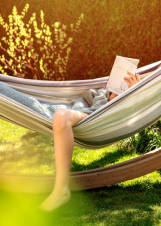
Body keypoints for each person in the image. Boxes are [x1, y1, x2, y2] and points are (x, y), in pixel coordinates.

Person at [0, 57, 140, 211]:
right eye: (117, 86)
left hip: (77, 116)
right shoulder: (99, 95)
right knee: (6, 91)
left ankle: (61, 190)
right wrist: (110, 94)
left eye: (122, 90)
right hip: (62, 109)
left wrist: (132, 92)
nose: (117, 90)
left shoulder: (117, 105)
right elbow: (89, 99)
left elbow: (119, 111)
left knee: (60, 116)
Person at [38, 71, 140, 211]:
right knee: (61, 116)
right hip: (92, 110)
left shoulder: (140, 90)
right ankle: (60, 190)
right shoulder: (119, 90)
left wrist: (135, 92)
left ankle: (60, 190)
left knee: (61, 116)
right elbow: (105, 99)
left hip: (98, 116)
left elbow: (128, 112)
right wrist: (114, 90)